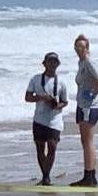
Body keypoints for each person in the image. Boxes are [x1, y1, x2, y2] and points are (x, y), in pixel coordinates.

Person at [25, 52, 69, 186]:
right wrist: (41, 97)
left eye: (55, 62)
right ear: (44, 64)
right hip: (39, 119)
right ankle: (45, 176)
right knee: (40, 148)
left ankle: (46, 176)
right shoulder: (36, 79)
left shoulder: (61, 82)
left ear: (58, 65)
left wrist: (56, 105)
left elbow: (65, 101)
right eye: (50, 61)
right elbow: (27, 97)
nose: (52, 64)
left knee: (52, 147)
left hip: (54, 120)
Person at [70, 34, 98, 187]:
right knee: (85, 141)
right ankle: (90, 174)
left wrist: (93, 93)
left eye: (82, 47)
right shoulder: (81, 62)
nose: (79, 49)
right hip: (82, 105)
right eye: (77, 47)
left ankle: (89, 176)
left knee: (88, 141)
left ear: (87, 48)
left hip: (89, 107)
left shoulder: (89, 62)